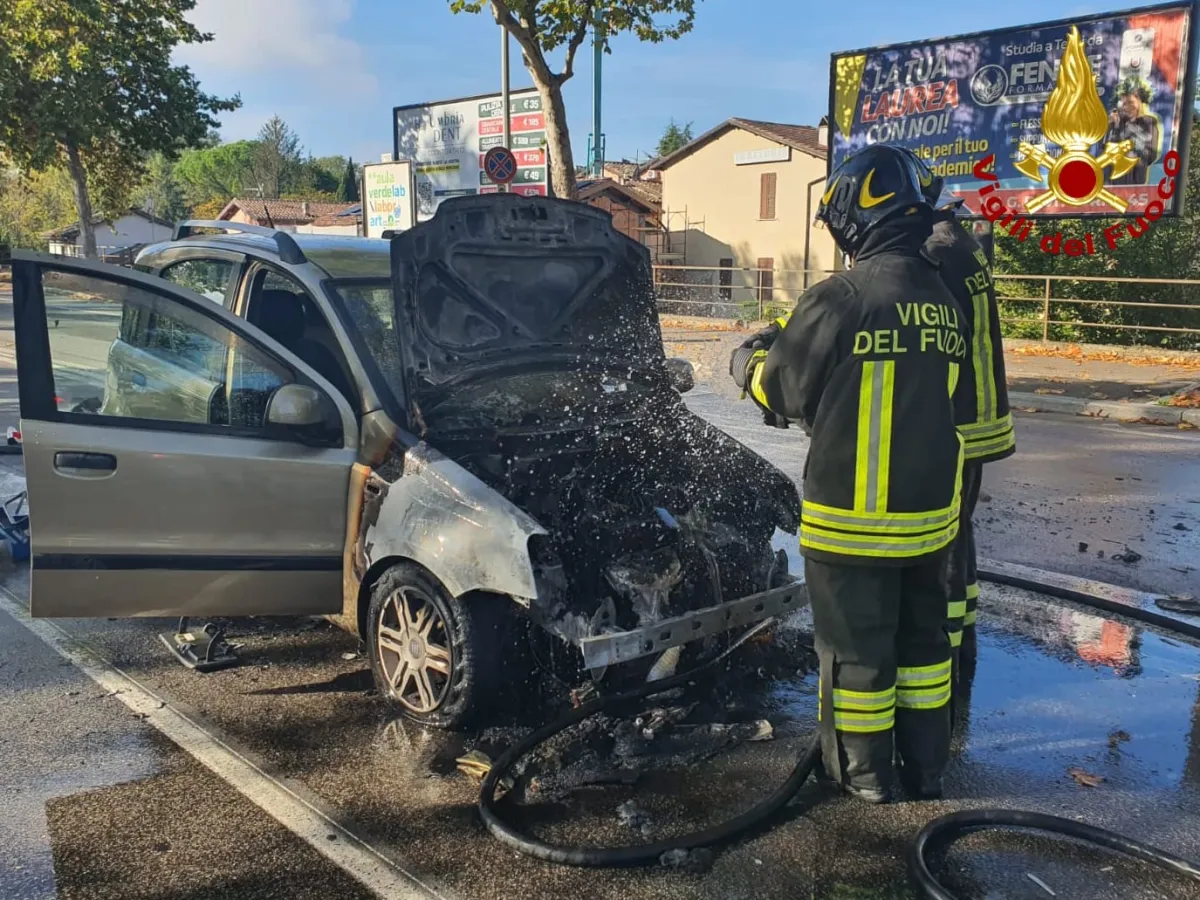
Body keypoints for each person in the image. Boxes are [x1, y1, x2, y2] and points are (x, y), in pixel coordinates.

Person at [729, 144, 966, 803]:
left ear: (861, 216)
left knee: (857, 657)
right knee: (923, 652)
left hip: (855, 526)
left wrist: (749, 357)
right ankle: (925, 770)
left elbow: (783, 393)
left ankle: (862, 779)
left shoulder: (841, 295)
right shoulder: (941, 298)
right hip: (928, 524)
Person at [900, 149, 1016, 665]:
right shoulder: (967, 249)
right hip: (982, 418)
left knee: (944, 536)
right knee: (961, 530)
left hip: (959, 420)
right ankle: (961, 630)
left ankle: (940, 648)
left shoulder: (939, 256)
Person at [1106, 76, 1161, 185]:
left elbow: (1151, 154)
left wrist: (1132, 153)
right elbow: (1107, 149)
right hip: (1114, 182)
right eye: (1124, 104)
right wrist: (1113, 126)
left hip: (1136, 181)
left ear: (1140, 100)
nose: (1127, 107)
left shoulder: (1149, 122)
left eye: (1131, 102)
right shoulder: (1118, 123)